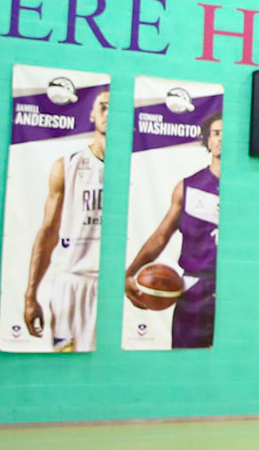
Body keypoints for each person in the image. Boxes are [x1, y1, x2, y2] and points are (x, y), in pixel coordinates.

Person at [124, 111, 222, 349]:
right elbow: (161, 237)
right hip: (196, 291)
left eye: (227, 134)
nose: (221, 139)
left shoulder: (251, 191)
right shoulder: (188, 187)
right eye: (216, 133)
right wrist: (130, 273)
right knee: (186, 363)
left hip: (235, 290)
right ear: (208, 141)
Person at [24, 89, 108, 353]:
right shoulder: (67, 166)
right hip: (71, 284)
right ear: (92, 114)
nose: (110, 114)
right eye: (103, 107)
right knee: (64, 366)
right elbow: (48, 232)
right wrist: (30, 293)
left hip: (111, 287)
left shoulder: (138, 169)